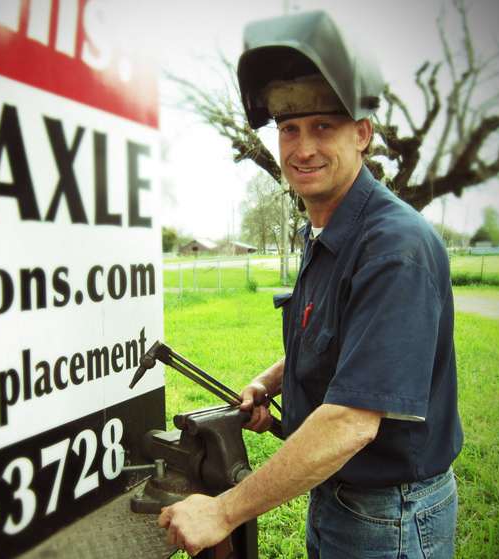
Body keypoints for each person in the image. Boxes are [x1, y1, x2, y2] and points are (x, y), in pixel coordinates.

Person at [158, 11, 464, 558]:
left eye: (324, 126)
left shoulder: (393, 247)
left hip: (389, 516)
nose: (302, 148)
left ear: (363, 134)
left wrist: (222, 511)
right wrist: (268, 384)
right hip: (335, 494)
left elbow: (350, 423)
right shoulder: (326, 230)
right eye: (289, 128)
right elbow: (336, 340)